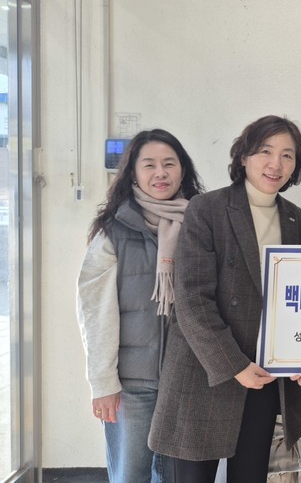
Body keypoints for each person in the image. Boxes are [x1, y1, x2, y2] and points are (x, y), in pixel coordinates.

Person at [148, 115, 301, 483]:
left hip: (262, 375)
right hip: (205, 371)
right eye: (265, 151)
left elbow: (296, 299)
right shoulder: (207, 208)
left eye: (287, 155)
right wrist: (234, 365)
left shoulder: (294, 218)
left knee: (249, 475)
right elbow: (192, 299)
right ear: (243, 157)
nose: (276, 164)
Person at [77, 128, 205, 483]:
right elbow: (95, 312)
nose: (160, 173)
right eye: (149, 165)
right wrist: (102, 382)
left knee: (177, 477)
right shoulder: (113, 229)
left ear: (183, 169)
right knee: (130, 476)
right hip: (132, 383)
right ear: (133, 172)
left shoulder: (201, 224)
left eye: (169, 163)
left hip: (187, 378)